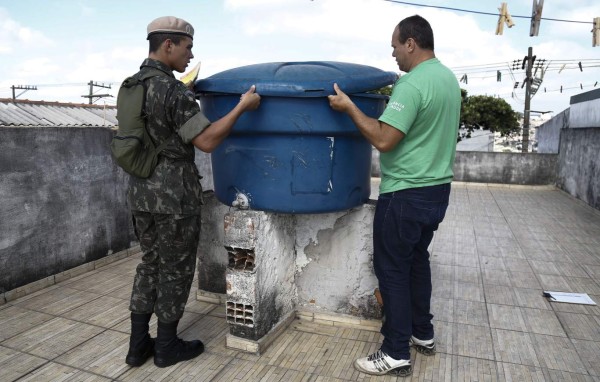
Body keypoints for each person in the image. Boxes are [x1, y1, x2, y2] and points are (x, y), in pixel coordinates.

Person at [124, 16, 261, 368]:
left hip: (140, 192)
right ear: (168, 45)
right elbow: (207, 140)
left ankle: (138, 345)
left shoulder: (132, 85)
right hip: (173, 196)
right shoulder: (171, 90)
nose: (190, 55)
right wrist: (242, 108)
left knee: (150, 264)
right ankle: (167, 346)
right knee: (176, 269)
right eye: (187, 47)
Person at [328, 15, 460, 376]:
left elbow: (385, 138)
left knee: (393, 272)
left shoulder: (412, 84)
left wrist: (349, 108)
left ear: (411, 43)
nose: (393, 54)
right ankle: (423, 333)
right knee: (417, 262)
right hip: (437, 191)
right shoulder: (448, 79)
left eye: (395, 46)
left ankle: (395, 350)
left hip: (405, 193)